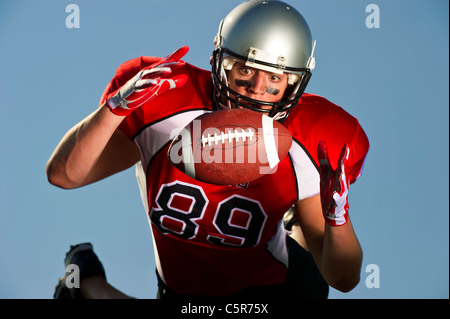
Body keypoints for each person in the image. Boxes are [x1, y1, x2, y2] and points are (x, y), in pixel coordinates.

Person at [48, 0, 369, 300]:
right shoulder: (165, 102)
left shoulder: (308, 140)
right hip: (183, 288)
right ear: (220, 62)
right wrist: (114, 109)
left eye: (274, 77)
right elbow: (64, 175)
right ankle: (87, 282)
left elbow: (343, 278)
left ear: (294, 84)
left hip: (275, 286)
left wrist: (337, 217)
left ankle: (294, 223)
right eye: (245, 70)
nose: (256, 89)